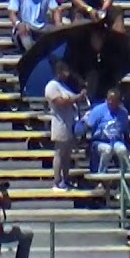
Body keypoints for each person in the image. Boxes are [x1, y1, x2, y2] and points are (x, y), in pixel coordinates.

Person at [45, 61, 86, 191]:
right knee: (59, 153)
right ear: (59, 72)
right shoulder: (52, 86)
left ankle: (65, 180)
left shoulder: (63, 86)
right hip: (59, 123)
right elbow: (60, 102)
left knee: (67, 155)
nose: (67, 74)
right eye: (64, 71)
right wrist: (77, 98)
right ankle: (56, 181)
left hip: (69, 123)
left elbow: (73, 99)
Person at [84, 88, 129, 174]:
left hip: (116, 141)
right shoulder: (98, 110)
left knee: (122, 150)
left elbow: (125, 131)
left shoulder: (123, 112)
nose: (111, 102)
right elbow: (88, 126)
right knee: (107, 150)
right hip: (99, 142)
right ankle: (101, 175)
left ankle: (123, 174)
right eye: (109, 100)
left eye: (114, 100)